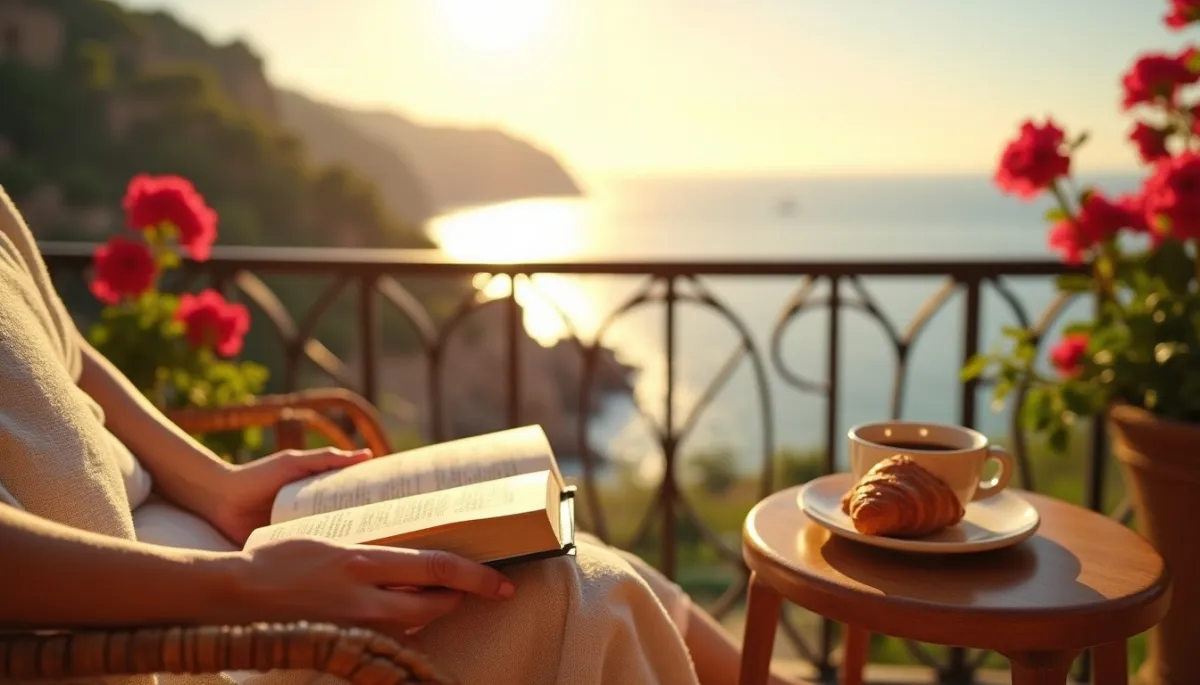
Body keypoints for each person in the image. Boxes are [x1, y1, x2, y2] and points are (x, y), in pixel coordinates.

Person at [0, 186, 802, 685]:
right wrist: (247, 589)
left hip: (195, 546)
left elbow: (64, 352)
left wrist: (215, 483)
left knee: (575, 559)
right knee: (584, 594)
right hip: (134, 629)